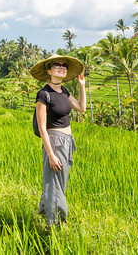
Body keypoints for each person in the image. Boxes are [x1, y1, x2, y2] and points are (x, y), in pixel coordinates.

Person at [30, 54, 86, 227]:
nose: (62, 67)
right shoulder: (44, 94)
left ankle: (45, 214)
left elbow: (81, 108)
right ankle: (56, 224)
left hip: (67, 141)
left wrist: (82, 86)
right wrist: (51, 154)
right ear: (49, 70)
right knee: (54, 184)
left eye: (64, 66)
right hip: (54, 142)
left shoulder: (64, 92)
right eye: (57, 65)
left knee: (59, 183)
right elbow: (42, 127)